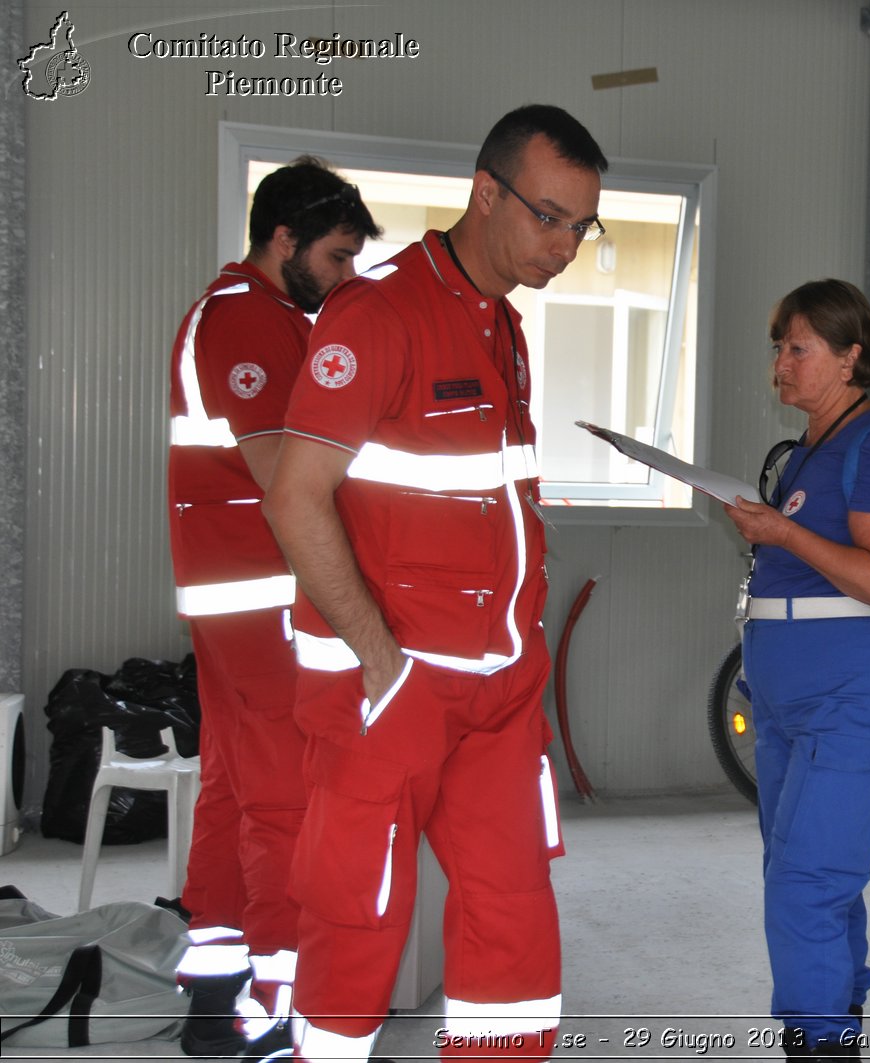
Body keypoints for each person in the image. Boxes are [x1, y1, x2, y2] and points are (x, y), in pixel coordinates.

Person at [261, 104, 606, 1062]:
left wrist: (521, 660)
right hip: (390, 690)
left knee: (514, 925)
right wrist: (382, 664)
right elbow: (296, 500)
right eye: (549, 217)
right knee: (356, 920)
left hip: (498, 693)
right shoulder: (377, 314)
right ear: (486, 193)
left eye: (583, 225)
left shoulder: (502, 328)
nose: (566, 246)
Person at [165, 156, 378, 1059]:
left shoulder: (252, 313)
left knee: (230, 791)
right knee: (283, 803)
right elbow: (282, 479)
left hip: (232, 598)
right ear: (281, 240)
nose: (345, 280)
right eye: (334, 258)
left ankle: (214, 994)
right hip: (262, 600)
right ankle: (278, 1006)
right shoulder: (248, 320)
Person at [723, 279, 870, 1058]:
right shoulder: (812, 448)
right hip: (785, 707)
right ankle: (836, 1016)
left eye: (798, 347)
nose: (781, 361)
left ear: (850, 358)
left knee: (804, 887)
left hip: (847, 705)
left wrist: (783, 532)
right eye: (779, 346)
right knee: (810, 876)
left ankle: (819, 1041)